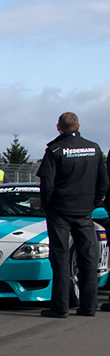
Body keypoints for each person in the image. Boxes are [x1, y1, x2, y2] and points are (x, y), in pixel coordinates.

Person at [35, 112, 108, 317]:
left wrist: (47, 205)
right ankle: (89, 307)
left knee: (60, 258)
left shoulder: (55, 150)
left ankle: (60, 308)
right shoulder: (94, 149)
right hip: (84, 211)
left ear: (58, 127)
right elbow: (104, 182)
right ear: (78, 125)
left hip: (60, 211)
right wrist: (92, 203)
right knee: (87, 259)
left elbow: (46, 184)